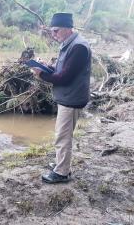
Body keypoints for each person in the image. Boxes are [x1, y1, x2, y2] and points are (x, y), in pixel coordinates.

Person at [32, 12, 92, 184]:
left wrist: (41, 74)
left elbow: (65, 77)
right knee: (63, 134)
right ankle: (62, 163)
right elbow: (62, 69)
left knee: (62, 136)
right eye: (52, 31)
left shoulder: (79, 47)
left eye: (56, 31)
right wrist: (47, 66)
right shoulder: (70, 44)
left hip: (72, 98)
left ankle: (62, 173)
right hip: (68, 96)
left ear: (67, 28)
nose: (53, 35)